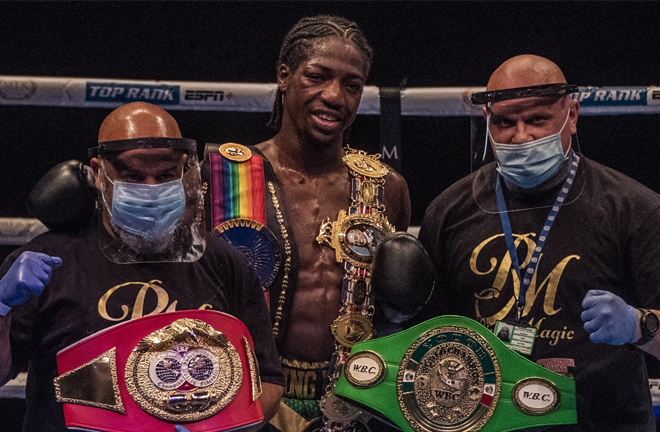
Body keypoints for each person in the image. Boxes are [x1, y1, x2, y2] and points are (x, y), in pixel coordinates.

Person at [0, 102, 284, 432]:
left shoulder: (222, 260)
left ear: (184, 169)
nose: (151, 188)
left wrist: (219, 427)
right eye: (133, 176)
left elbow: (267, 379)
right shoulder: (49, 262)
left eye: (164, 176)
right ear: (98, 171)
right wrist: (1, 306)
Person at [417, 54, 660, 431]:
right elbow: (426, 337)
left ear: (572, 115)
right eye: (505, 122)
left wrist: (638, 326)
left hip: (604, 421)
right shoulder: (449, 211)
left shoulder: (634, 208)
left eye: (537, 120)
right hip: (483, 422)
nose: (521, 136)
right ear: (487, 121)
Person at [203, 15, 410, 432]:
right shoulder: (222, 178)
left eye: (351, 85)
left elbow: (398, 312)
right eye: (318, 76)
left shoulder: (386, 187)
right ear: (284, 75)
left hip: (358, 398)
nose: (334, 95)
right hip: (250, 395)